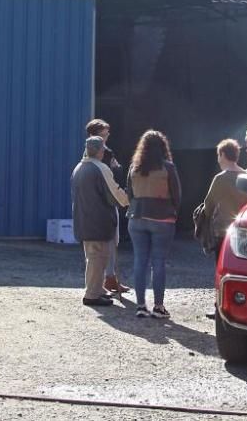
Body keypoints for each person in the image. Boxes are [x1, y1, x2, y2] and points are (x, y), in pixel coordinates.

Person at [126, 130, 181, 319]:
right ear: (163, 148)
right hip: (162, 219)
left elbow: (130, 194)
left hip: (137, 218)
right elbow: (177, 194)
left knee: (140, 261)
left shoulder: (134, 167)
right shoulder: (168, 167)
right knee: (158, 263)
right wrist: (172, 210)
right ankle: (158, 307)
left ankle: (140, 305)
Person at [71, 136, 126, 307]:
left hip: (83, 219)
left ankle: (96, 289)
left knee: (93, 258)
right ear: (100, 151)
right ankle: (92, 295)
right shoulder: (100, 168)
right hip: (98, 221)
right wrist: (128, 200)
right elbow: (114, 192)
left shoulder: (79, 168)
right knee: (98, 258)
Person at [86, 118, 130, 294]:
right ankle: (104, 282)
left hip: (107, 201)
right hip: (107, 201)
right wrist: (124, 198)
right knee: (106, 244)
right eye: (103, 134)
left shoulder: (95, 157)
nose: (107, 137)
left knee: (111, 242)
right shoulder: (101, 157)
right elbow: (111, 177)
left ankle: (108, 279)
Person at [202, 139, 247, 261]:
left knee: (222, 263)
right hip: (244, 230)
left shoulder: (220, 179)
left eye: (218, 155)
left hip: (223, 231)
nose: (218, 159)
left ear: (222, 154)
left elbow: (209, 204)